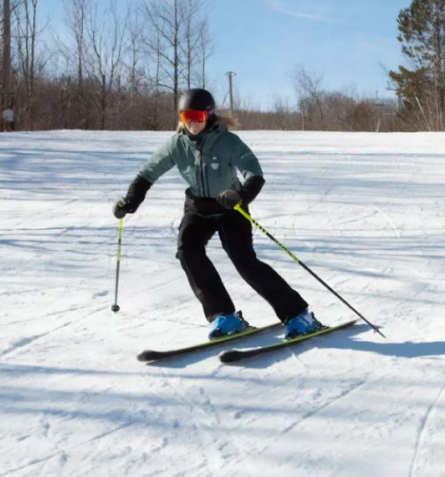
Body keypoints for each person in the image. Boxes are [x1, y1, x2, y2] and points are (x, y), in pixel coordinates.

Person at [113, 88, 321, 339]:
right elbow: (148, 173)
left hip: (230, 207)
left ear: (209, 116)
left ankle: (299, 314)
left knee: (244, 261)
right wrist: (130, 201)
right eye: (186, 115)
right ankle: (225, 316)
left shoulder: (228, 142)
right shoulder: (176, 145)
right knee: (187, 251)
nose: (192, 122)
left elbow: (254, 173)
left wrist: (241, 196)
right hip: (198, 208)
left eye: (198, 116)